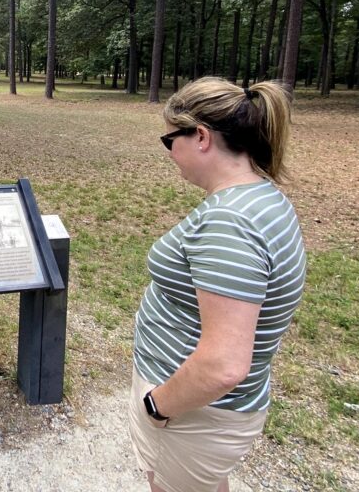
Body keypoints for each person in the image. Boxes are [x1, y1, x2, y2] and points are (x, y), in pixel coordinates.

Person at [128, 77, 307, 492]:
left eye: (170, 140)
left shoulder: (229, 223)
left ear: (202, 136)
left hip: (193, 413)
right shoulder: (261, 197)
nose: (170, 152)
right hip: (207, 411)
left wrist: (158, 405)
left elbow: (224, 366)